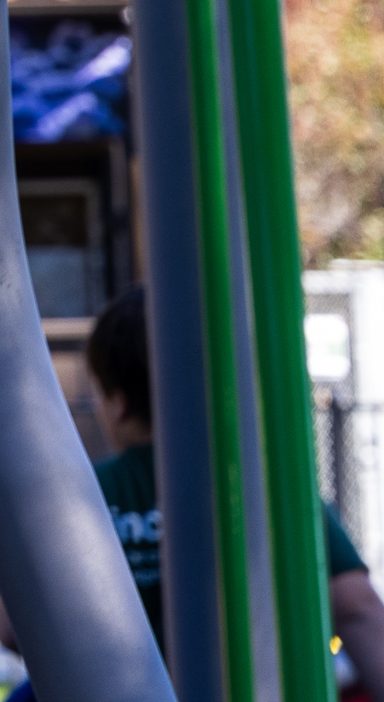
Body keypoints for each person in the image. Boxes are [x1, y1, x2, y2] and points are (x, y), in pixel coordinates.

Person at [69, 284, 384, 681]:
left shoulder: (87, 495)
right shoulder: (270, 489)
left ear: (118, 402)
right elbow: (356, 608)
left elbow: (12, 623)